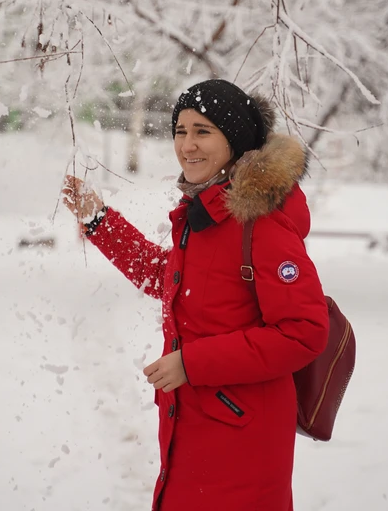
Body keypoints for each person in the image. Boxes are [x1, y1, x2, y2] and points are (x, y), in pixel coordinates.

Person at [61, 79, 330, 511]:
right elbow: (168, 278)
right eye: (180, 131)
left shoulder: (262, 224)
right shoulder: (206, 214)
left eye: (203, 131)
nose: (187, 145)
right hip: (194, 434)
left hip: (242, 449)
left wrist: (192, 364)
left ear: (235, 140)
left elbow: (303, 332)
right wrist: (99, 222)